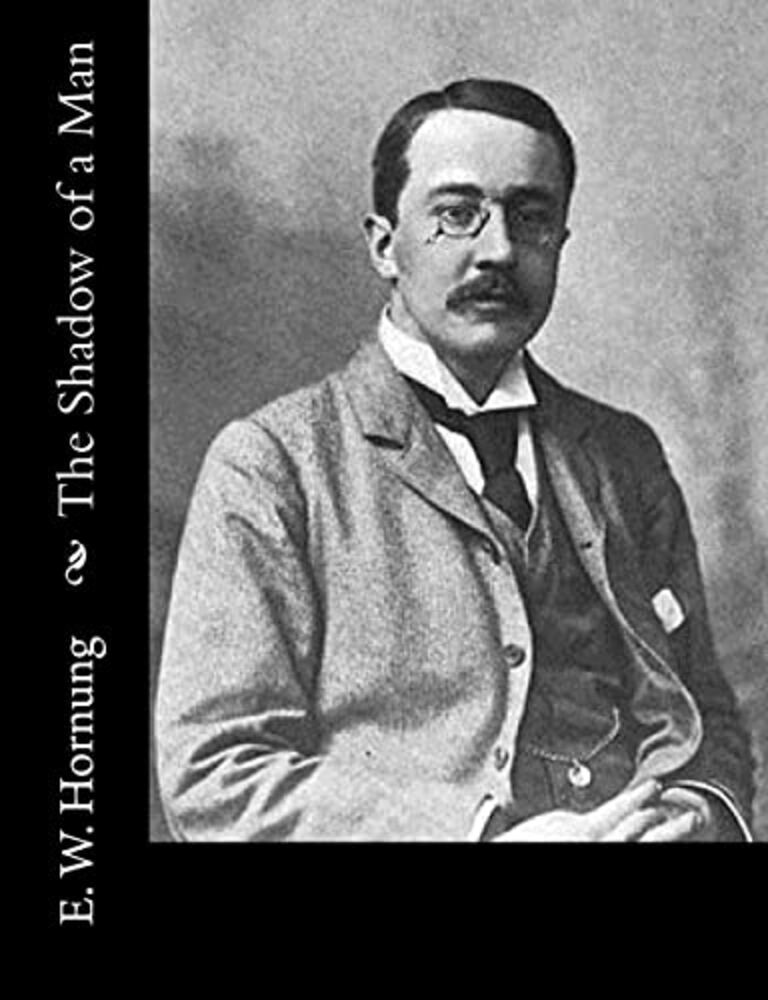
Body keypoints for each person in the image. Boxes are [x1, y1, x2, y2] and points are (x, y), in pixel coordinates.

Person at [155, 79, 754, 841]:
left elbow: (707, 716)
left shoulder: (624, 456)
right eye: (457, 214)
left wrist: (699, 812)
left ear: (560, 242)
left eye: (531, 218)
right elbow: (215, 774)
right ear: (384, 245)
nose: (499, 250)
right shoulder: (273, 466)